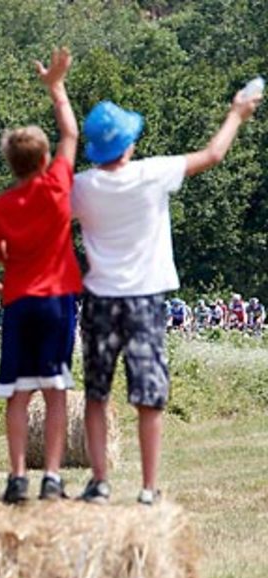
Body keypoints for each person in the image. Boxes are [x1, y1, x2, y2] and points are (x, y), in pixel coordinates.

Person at [72, 88, 260, 504]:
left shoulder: (81, 186)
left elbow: (49, 211)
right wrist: (237, 113)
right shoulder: (152, 173)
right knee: (150, 396)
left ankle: (100, 481)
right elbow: (213, 155)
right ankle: (148, 486)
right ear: (129, 144)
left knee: (97, 393)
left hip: (100, 299)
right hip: (145, 299)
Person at [0, 47, 81, 503]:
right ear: (42, 161)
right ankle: (52, 477)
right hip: (58, 299)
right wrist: (56, 87)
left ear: (10, 164)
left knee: (16, 393)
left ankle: (17, 477)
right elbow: (71, 133)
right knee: (55, 391)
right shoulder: (58, 186)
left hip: (18, 301)